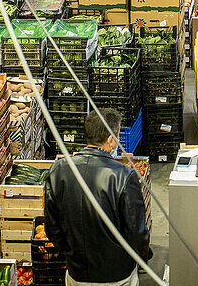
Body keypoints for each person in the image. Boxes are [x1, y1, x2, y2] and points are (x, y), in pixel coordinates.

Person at [43, 109, 150, 286]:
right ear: (110, 140)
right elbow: (136, 232)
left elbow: (52, 226)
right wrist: (142, 257)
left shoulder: (59, 170)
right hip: (117, 275)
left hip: (77, 273)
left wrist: (70, 253)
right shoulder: (124, 175)